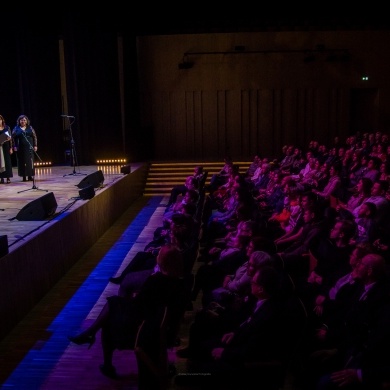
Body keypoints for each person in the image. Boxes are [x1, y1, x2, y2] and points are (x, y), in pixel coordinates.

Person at [68, 244, 188, 379]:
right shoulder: (181, 284)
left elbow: (139, 305)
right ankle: (91, 334)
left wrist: (136, 297)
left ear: (162, 261)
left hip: (145, 331)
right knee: (112, 307)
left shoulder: (156, 280)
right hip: (162, 330)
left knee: (110, 310)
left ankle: (94, 339)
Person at [12, 115, 37, 182]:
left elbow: (34, 137)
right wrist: (14, 146)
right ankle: (23, 176)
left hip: (29, 147)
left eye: (24, 120)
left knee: (30, 162)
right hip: (20, 148)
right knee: (22, 162)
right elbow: (12, 138)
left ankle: (30, 175)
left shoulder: (30, 128)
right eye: (21, 120)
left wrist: (35, 145)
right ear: (19, 121)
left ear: (26, 121)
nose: (23, 121)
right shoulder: (16, 128)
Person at [0, 114, 13, 184]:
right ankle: (1, 177)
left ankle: (8, 178)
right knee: (0, 162)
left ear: (2, 120)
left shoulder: (7, 127)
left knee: (7, 162)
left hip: (6, 146)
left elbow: (10, 138)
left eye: (0, 119)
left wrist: (11, 148)